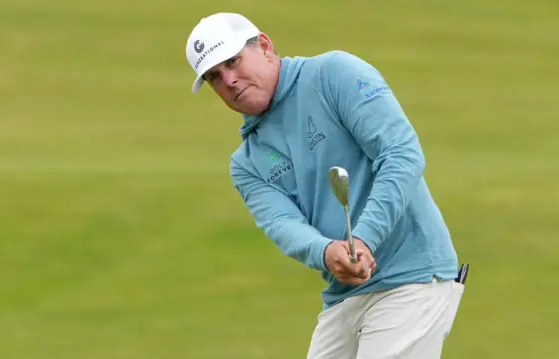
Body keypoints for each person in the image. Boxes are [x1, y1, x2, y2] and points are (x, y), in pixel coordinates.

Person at [185, 12, 468, 359]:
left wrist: (364, 239)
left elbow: (400, 154)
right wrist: (326, 252)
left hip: (411, 277)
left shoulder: (334, 75)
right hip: (344, 296)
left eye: (233, 61)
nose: (228, 79)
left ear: (264, 46)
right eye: (214, 76)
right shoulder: (247, 163)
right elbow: (283, 225)